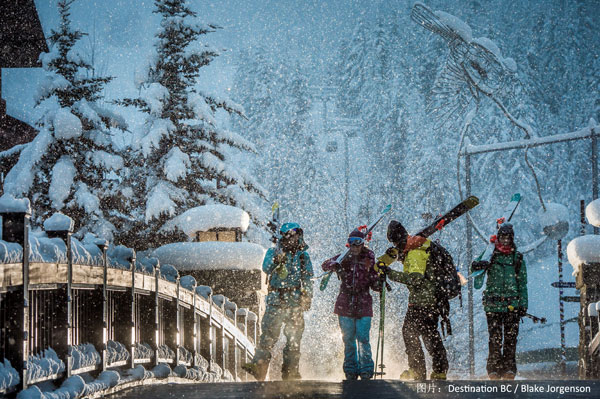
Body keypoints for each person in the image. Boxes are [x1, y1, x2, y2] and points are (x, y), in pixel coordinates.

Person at [375, 220, 449, 381]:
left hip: (424, 301)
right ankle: (438, 370)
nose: (396, 245)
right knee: (428, 334)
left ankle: (419, 370)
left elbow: (415, 279)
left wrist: (390, 272)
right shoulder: (415, 249)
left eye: (395, 242)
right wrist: (398, 257)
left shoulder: (415, 252)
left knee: (411, 333)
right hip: (427, 300)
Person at [242, 222, 313, 381]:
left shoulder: (303, 256)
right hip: (275, 301)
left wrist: (307, 296)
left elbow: (308, 278)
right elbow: (266, 268)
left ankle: (291, 372)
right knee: (267, 336)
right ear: (283, 236)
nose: (292, 238)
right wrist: (276, 259)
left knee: (294, 339)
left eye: (295, 235)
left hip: (295, 302)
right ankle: (259, 367)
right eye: (288, 235)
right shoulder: (273, 252)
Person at [321, 229, 381, 380]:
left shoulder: (369, 257)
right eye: (351, 243)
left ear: (362, 243)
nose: (354, 247)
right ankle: (350, 369)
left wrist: (379, 281)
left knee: (363, 337)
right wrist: (335, 265)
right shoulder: (344, 257)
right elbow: (325, 265)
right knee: (348, 338)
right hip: (345, 303)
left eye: (358, 243)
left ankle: (366, 368)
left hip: (363, 302)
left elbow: (374, 279)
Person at [471, 223, 527, 380]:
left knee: (510, 339)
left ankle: (509, 369)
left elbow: (522, 284)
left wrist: (523, 305)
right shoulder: (490, 255)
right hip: (493, 305)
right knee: (495, 339)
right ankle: (493, 369)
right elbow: (477, 280)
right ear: (498, 238)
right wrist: (477, 266)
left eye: (508, 238)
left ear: (512, 238)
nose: (505, 241)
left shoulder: (518, 258)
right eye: (502, 237)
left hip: (512, 305)